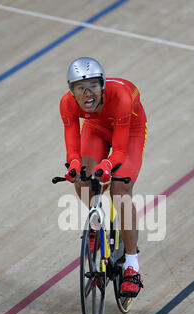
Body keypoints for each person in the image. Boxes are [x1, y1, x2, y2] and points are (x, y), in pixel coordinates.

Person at [60, 57, 147, 297]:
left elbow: (119, 151)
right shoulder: (67, 104)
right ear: (72, 91)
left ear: (103, 85)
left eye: (93, 87)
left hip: (129, 130)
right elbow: (72, 149)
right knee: (83, 178)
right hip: (96, 128)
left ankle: (131, 266)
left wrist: (108, 166)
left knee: (120, 191)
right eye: (80, 88)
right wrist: (74, 165)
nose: (87, 94)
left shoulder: (120, 97)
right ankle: (98, 225)